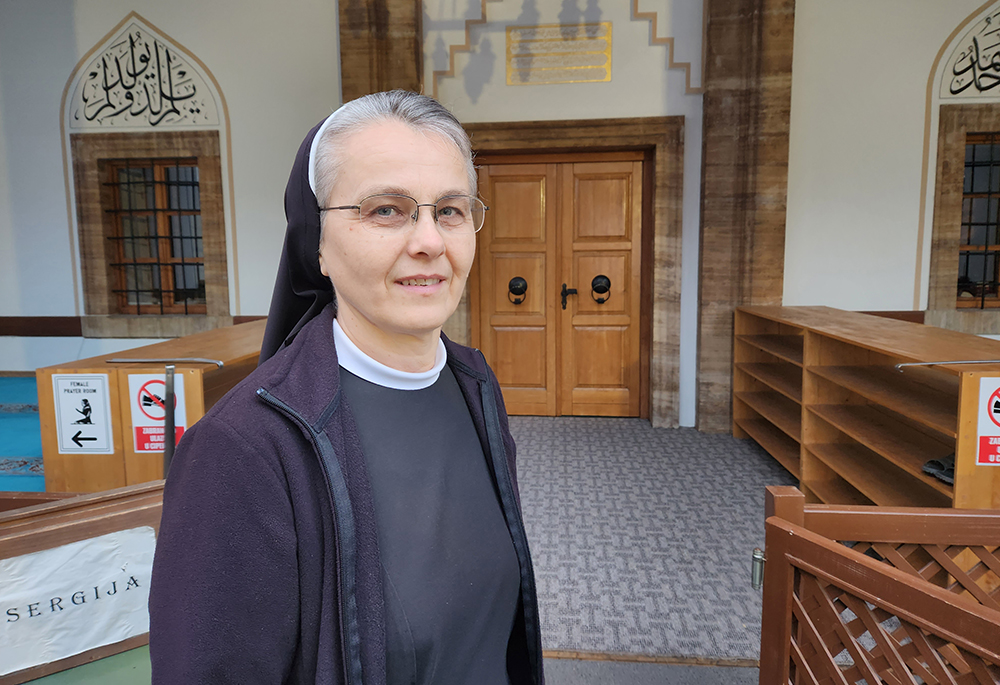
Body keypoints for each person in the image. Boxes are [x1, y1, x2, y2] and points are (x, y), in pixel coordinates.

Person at [148, 90, 544, 685]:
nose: (430, 243)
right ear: (316, 243)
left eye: (451, 210)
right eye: (387, 209)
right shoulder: (243, 450)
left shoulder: (475, 385)